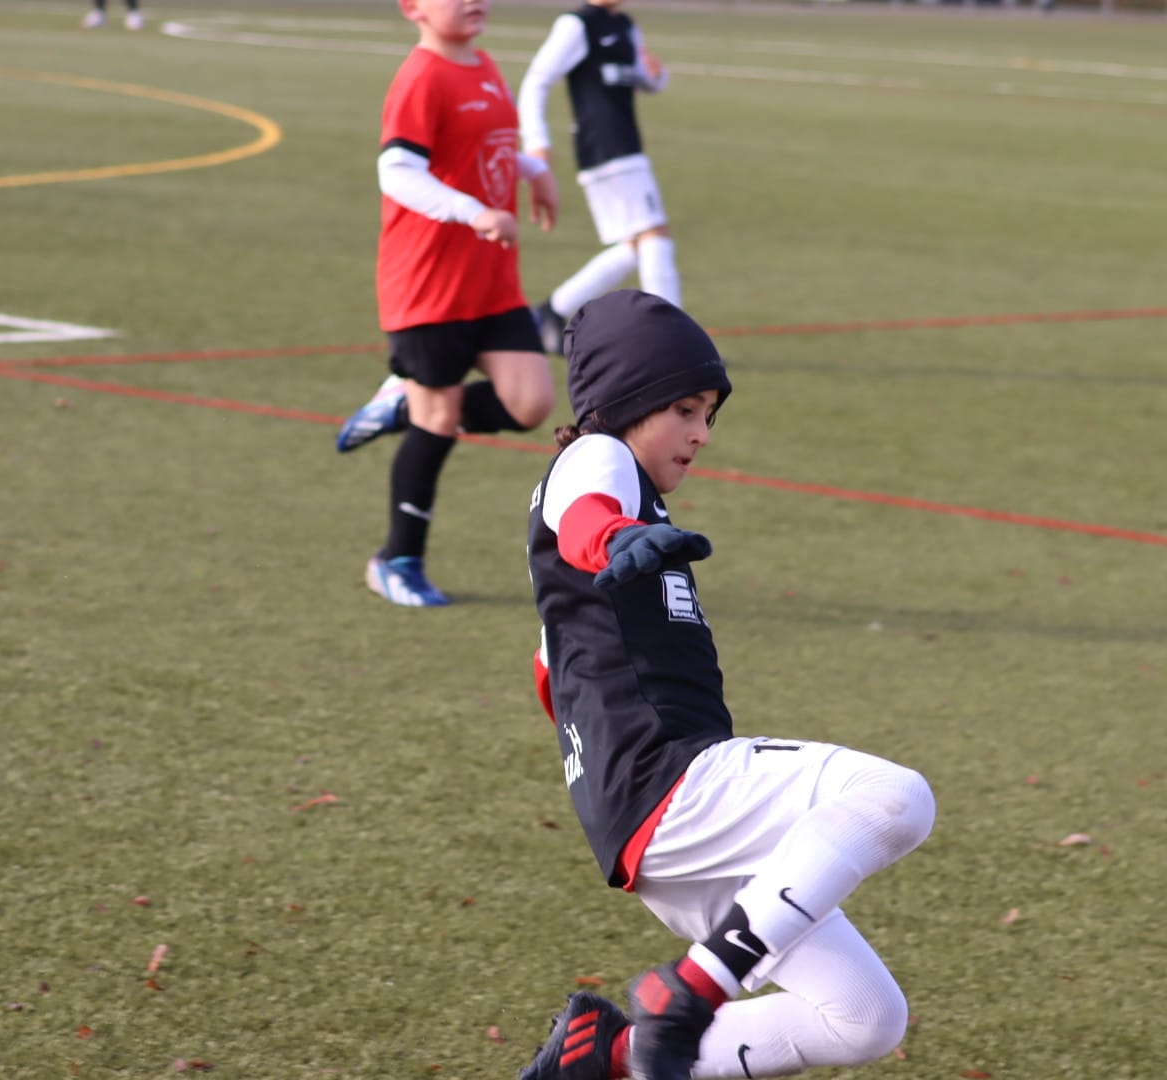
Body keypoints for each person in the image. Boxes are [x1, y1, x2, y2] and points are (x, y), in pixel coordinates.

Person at [519, 290, 936, 1080]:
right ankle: (688, 993)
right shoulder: (598, 456)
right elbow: (584, 512)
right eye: (684, 409)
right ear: (624, 402)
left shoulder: (631, 509)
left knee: (863, 1019)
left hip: (647, 823)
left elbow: (552, 669)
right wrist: (613, 538)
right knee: (895, 796)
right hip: (674, 782)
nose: (702, 433)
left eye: (709, 414)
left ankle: (607, 1057)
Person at [333, 0, 560, 608]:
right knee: (438, 421)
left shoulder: (483, 64)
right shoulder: (421, 77)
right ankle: (396, 560)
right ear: (412, 7)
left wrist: (532, 170)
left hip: (491, 284)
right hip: (428, 287)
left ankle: (403, 402)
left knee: (531, 403)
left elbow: (481, 146)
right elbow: (398, 172)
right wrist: (474, 211)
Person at [517, 1, 680, 357]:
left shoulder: (625, 25)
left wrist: (657, 76)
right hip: (604, 147)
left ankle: (553, 310)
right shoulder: (577, 25)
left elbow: (639, 77)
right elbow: (536, 81)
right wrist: (537, 143)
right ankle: (671, 343)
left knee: (638, 244)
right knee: (655, 236)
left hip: (627, 146)